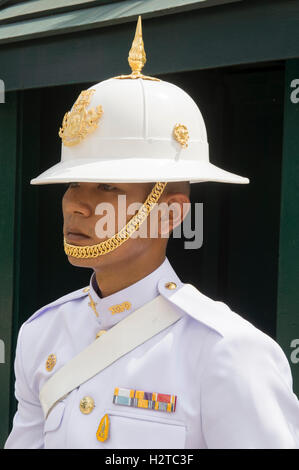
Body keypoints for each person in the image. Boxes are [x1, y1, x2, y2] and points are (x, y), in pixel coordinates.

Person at [5, 16, 299, 449]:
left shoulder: (226, 350)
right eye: (73, 184)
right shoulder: (42, 333)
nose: (77, 204)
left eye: (108, 186)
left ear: (170, 214)